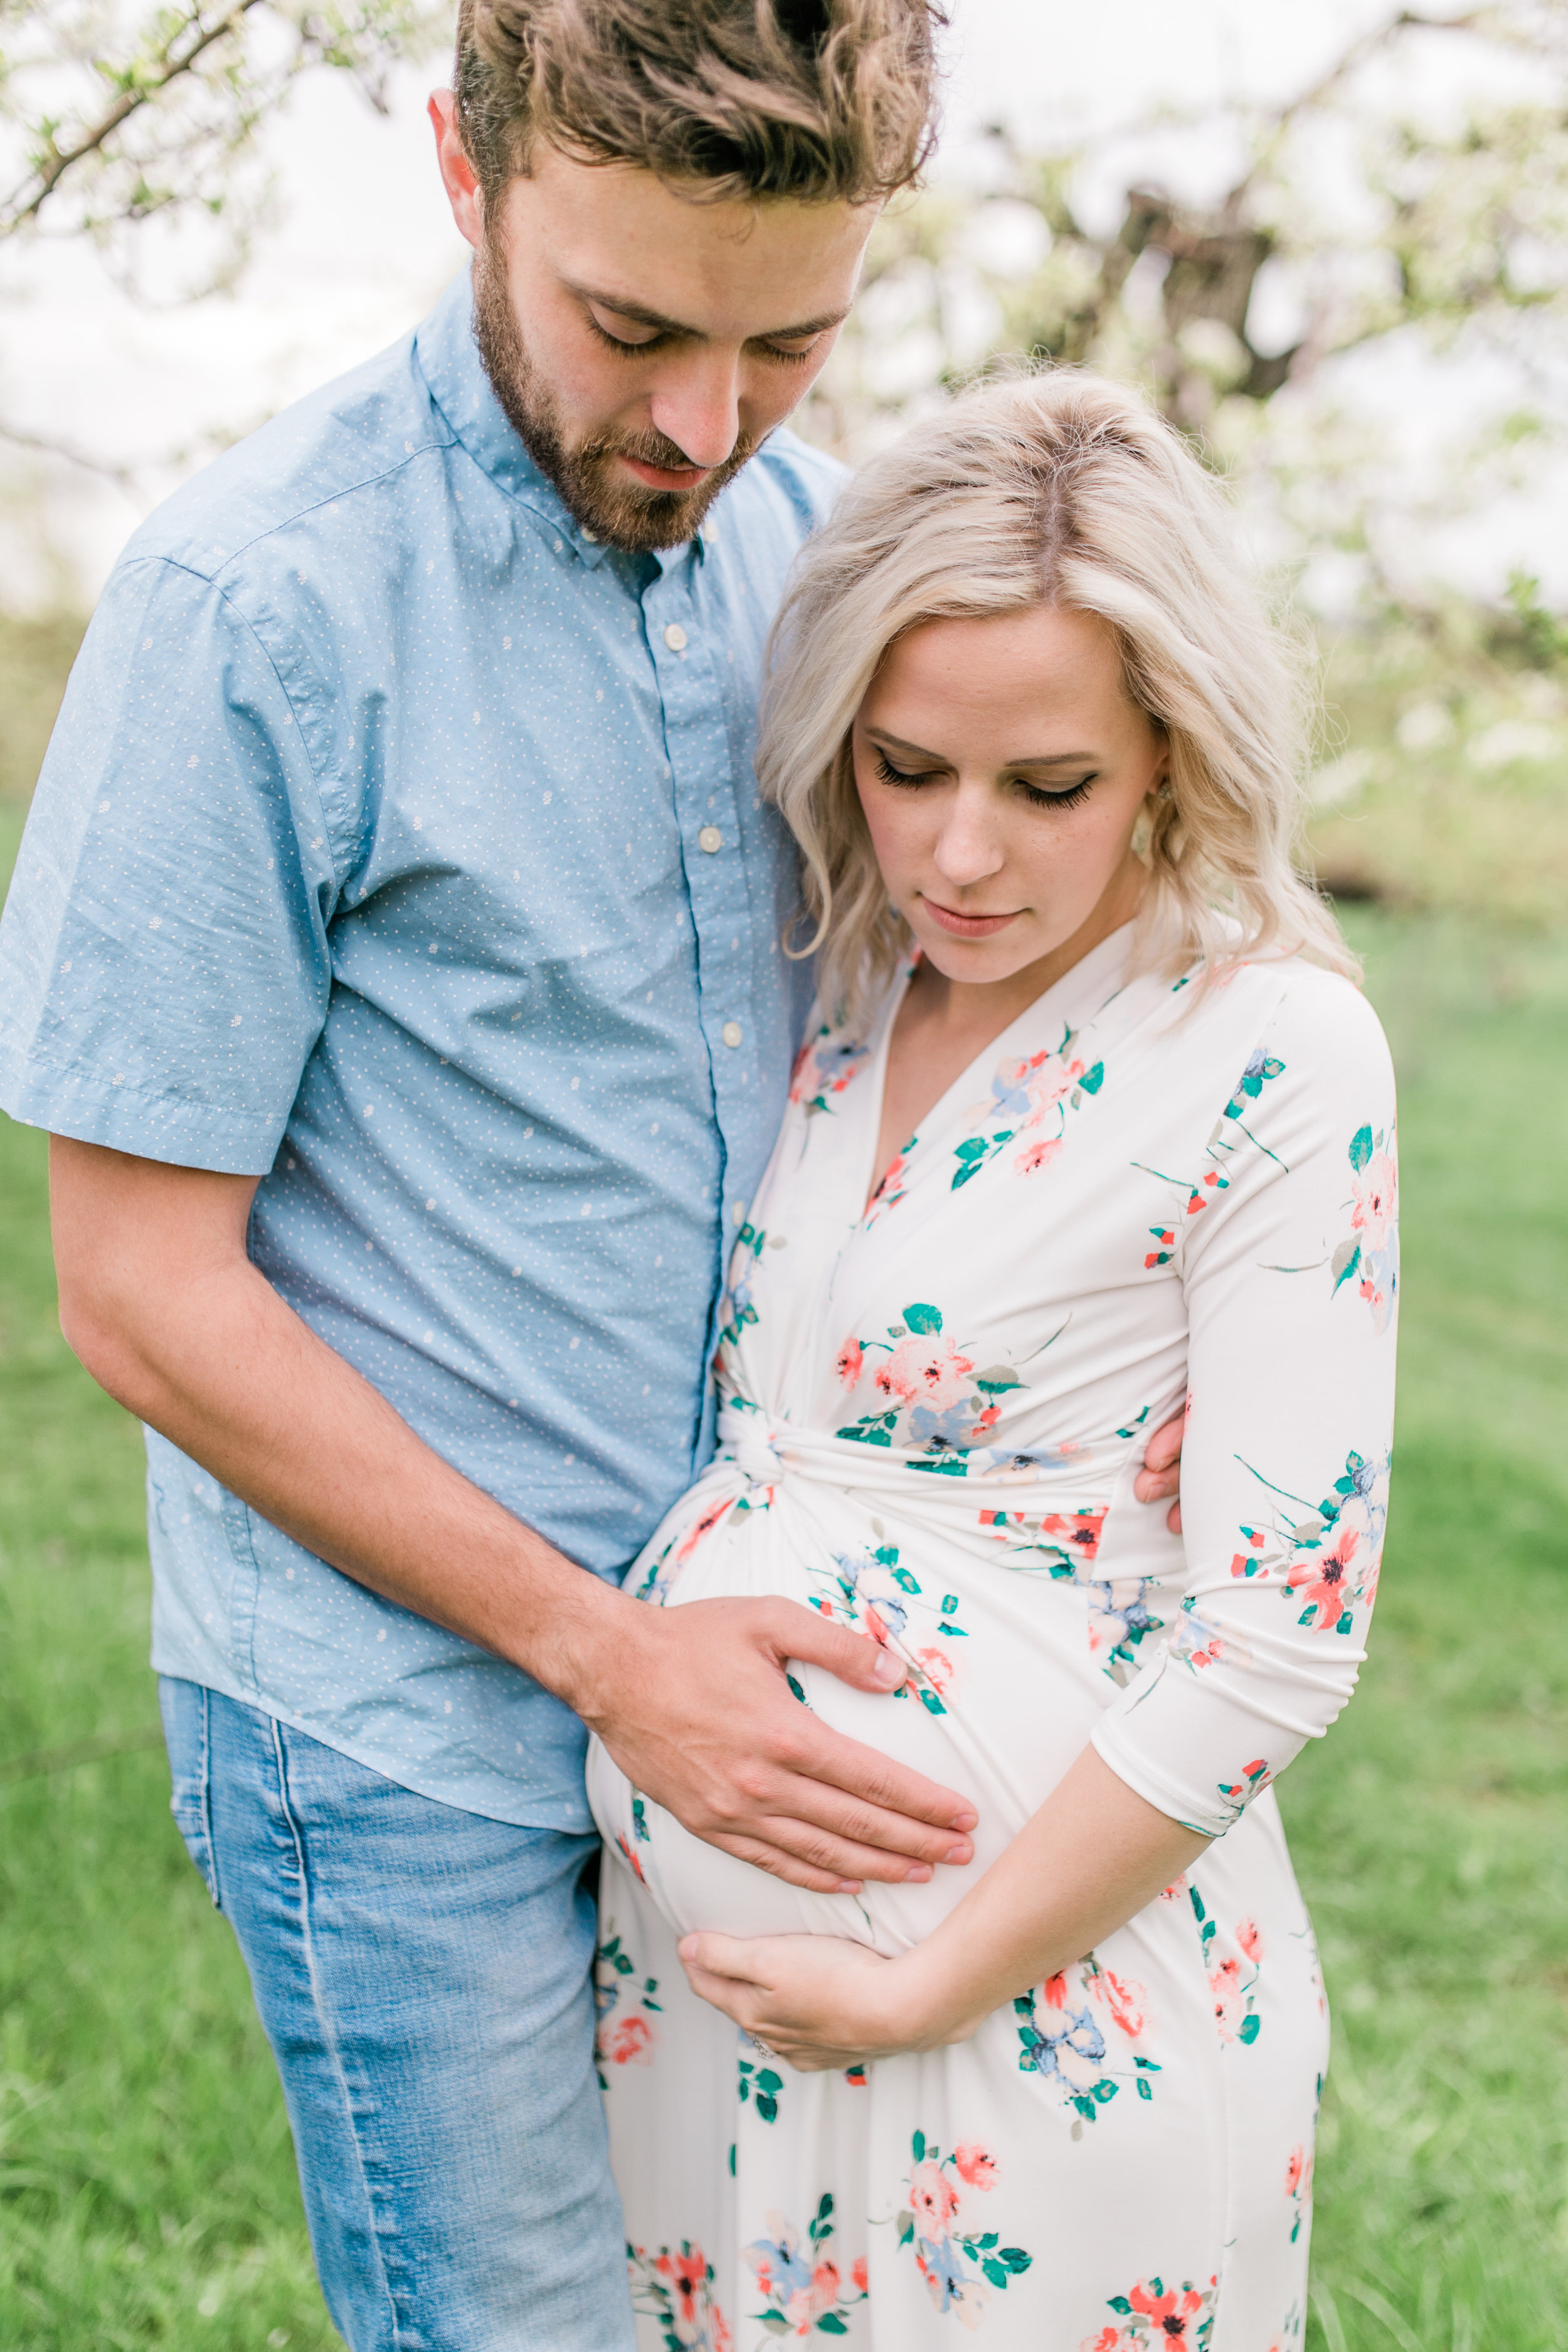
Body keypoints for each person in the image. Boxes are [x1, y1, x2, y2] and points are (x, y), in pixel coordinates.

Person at [0, 6, 1193, 2344]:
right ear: (466, 168)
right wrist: (600, 1655)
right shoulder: (254, 609)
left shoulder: (812, 555)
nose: (700, 423)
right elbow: (137, 1293)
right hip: (398, 1728)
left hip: (759, 1698)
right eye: (628, 327)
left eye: (787, 340)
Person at [588, 369, 1399, 2349]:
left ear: (1168, 761)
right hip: (713, 2014)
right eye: (901, 766)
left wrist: (930, 1976)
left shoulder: (1268, 1047)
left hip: (1030, 2000)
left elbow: (1277, 1629)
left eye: (1046, 788)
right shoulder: (842, 978)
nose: (957, 854)